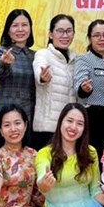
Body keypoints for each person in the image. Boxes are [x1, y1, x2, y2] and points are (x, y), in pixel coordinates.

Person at [0, 10, 32, 148]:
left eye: (24, 25)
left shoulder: (36, 56)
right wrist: (5, 63)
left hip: (28, 113)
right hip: (3, 111)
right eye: (15, 25)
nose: (20, 29)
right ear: (8, 30)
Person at [32, 15, 78, 149]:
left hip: (70, 129)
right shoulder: (43, 54)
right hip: (47, 128)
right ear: (51, 34)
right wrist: (42, 77)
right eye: (60, 31)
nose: (65, 35)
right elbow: (39, 70)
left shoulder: (76, 60)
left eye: (69, 31)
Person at [72, 19, 104, 154]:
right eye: (97, 35)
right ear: (89, 38)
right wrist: (84, 88)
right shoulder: (84, 59)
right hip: (92, 117)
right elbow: (79, 86)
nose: (102, 39)